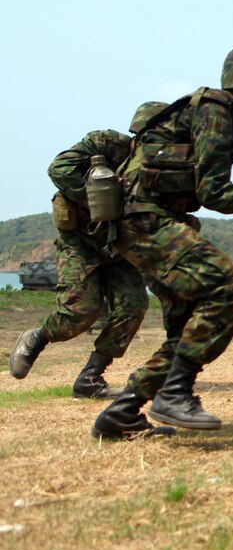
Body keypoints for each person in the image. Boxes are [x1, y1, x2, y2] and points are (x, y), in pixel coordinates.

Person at [92, 43, 233, 438]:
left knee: (186, 330)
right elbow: (215, 192)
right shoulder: (215, 111)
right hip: (144, 219)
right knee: (230, 285)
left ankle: (122, 413)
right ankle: (175, 394)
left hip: (155, 221)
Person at [8, 111, 163, 399]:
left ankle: (90, 377)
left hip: (121, 245)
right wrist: (97, 199)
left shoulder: (164, 169)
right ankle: (37, 337)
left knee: (133, 307)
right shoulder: (105, 144)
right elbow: (58, 169)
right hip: (81, 240)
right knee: (78, 314)